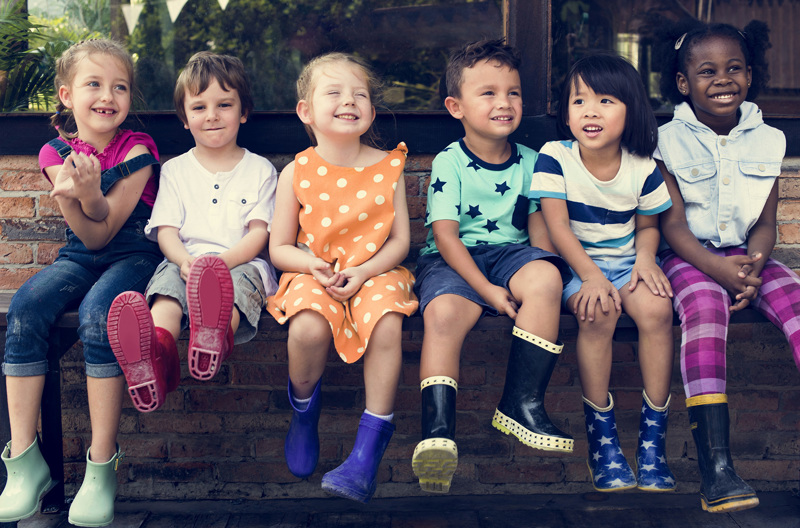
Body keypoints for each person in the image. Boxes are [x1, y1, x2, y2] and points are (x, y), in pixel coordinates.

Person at [0, 39, 162, 527]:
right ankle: (26, 464)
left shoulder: (139, 150)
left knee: (98, 315)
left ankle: (100, 465)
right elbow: (86, 242)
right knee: (26, 308)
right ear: (67, 94)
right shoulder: (55, 152)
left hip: (133, 253)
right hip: (80, 254)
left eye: (120, 86)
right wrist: (82, 195)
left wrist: (90, 192)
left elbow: (105, 231)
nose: (107, 96)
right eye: (94, 84)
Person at [411, 39, 572, 495]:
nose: (504, 103)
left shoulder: (533, 162)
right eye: (488, 93)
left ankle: (521, 403)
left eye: (513, 92)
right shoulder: (451, 161)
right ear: (455, 106)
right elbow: (444, 236)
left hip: (510, 255)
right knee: (443, 315)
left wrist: (549, 272)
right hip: (452, 259)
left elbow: (538, 233)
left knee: (545, 277)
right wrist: (486, 289)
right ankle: (437, 433)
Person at [653, 19, 799, 513]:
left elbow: (765, 220)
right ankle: (717, 468)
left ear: (751, 75)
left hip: (749, 258)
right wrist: (721, 271)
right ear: (683, 83)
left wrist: (753, 268)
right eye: (707, 71)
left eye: (734, 68)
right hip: (689, 258)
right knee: (706, 312)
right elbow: (672, 227)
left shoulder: (769, 140)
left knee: (799, 302)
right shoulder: (666, 142)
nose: (722, 79)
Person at [266, 52, 417, 503]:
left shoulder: (389, 166)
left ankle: (368, 451)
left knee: (388, 319)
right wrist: (311, 264)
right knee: (309, 326)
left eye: (359, 94)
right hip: (313, 271)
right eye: (333, 92)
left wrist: (365, 270)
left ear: (370, 110)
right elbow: (278, 247)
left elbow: (400, 242)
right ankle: (304, 412)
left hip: (377, 271)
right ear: (306, 111)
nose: (348, 101)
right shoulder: (297, 170)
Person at [532, 54, 676, 492]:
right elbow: (556, 227)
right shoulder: (555, 156)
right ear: (567, 111)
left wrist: (646, 260)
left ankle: (654, 443)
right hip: (574, 266)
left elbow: (649, 225)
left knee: (656, 311)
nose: (590, 111)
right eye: (579, 101)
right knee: (598, 314)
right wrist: (591, 276)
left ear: (631, 109)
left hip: (626, 264)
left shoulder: (642, 165)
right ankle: (603, 441)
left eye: (605, 100)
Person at [106, 51, 278, 414]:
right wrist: (185, 261)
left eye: (224, 105)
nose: (212, 115)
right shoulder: (175, 170)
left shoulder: (260, 169)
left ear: (243, 112)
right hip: (184, 259)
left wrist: (219, 263)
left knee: (232, 290)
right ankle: (155, 357)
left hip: (240, 262)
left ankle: (213, 339)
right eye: (199, 107)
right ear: (185, 118)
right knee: (166, 294)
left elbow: (258, 234)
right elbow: (167, 231)